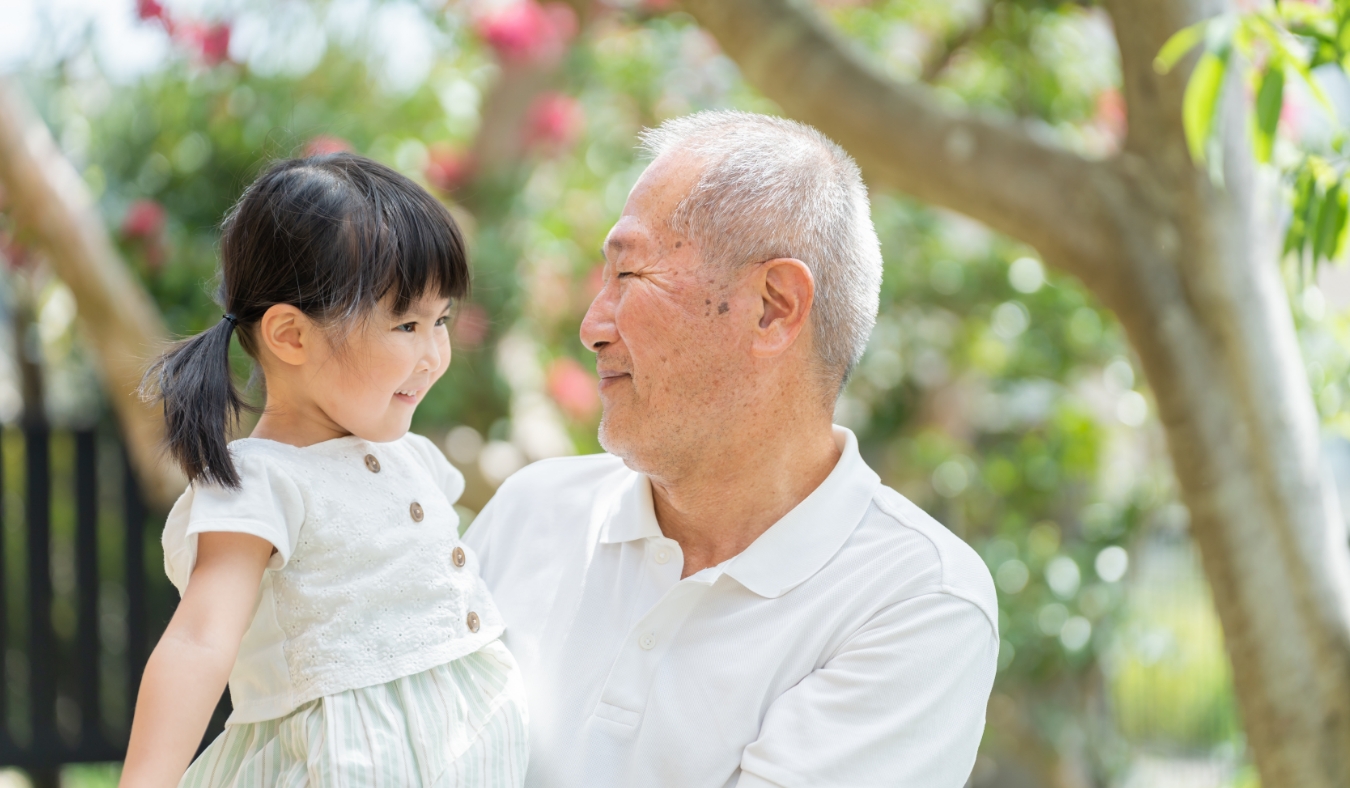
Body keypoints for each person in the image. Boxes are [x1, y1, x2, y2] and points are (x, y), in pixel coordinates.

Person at [464, 110, 998, 788]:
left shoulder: (916, 600)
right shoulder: (532, 512)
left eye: (628, 276)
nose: (592, 326)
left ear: (774, 307)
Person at [120, 154, 527, 788]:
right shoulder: (261, 483)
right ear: (291, 336)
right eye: (406, 324)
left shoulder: (413, 459)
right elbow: (199, 640)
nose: (433, 353)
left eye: (440, 320)